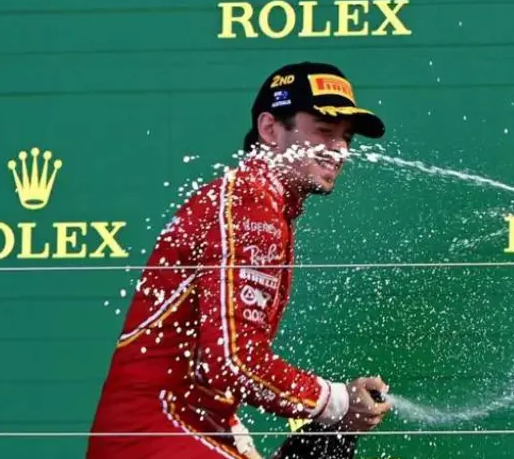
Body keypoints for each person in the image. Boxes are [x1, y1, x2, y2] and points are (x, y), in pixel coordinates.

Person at [87, 61, 393, 459]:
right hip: (156, 432)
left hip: (179, 427)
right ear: (270, 129)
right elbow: (232, 361)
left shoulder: (260, 201)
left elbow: (209, 370)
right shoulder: (249, 202)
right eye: (323, 130)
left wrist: (334, 423)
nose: (340, 150)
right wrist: (337, 400)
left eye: (346, 137)